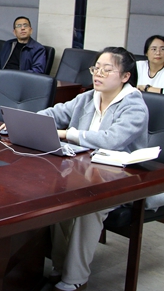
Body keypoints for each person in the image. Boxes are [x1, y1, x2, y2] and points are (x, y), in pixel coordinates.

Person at [35, 47, 148, 291]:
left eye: (107, 70)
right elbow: (56, 112)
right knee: (56, 198)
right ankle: (59, 267)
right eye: (96, 68)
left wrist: (68, 133)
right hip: (84, 170)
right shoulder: (88, 97)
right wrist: (29, 120)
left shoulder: (134, 105)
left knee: (89, 207)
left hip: (122, 177)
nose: (98, 74)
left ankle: (75, 278)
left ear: (125, 76)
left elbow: (112, 139)